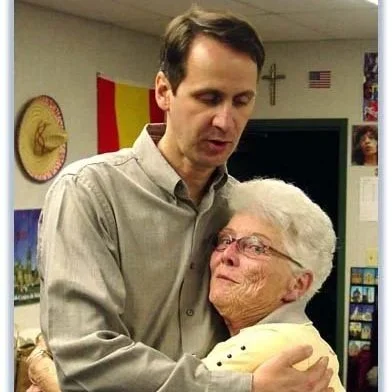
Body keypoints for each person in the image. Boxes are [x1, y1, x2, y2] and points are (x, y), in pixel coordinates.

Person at [37, 5, 333, 392]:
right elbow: (84, 361)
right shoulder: (89, 194)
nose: (225, 121)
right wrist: (242, 388)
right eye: (209, 98)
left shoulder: (241, 211)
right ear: (164, 91)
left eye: (241, 101)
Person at [201, 178, 345, 391]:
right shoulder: (307, 340)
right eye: (225, 240)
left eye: (255, 247)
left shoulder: (264, 347)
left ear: (297, 284)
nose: (227, 256)